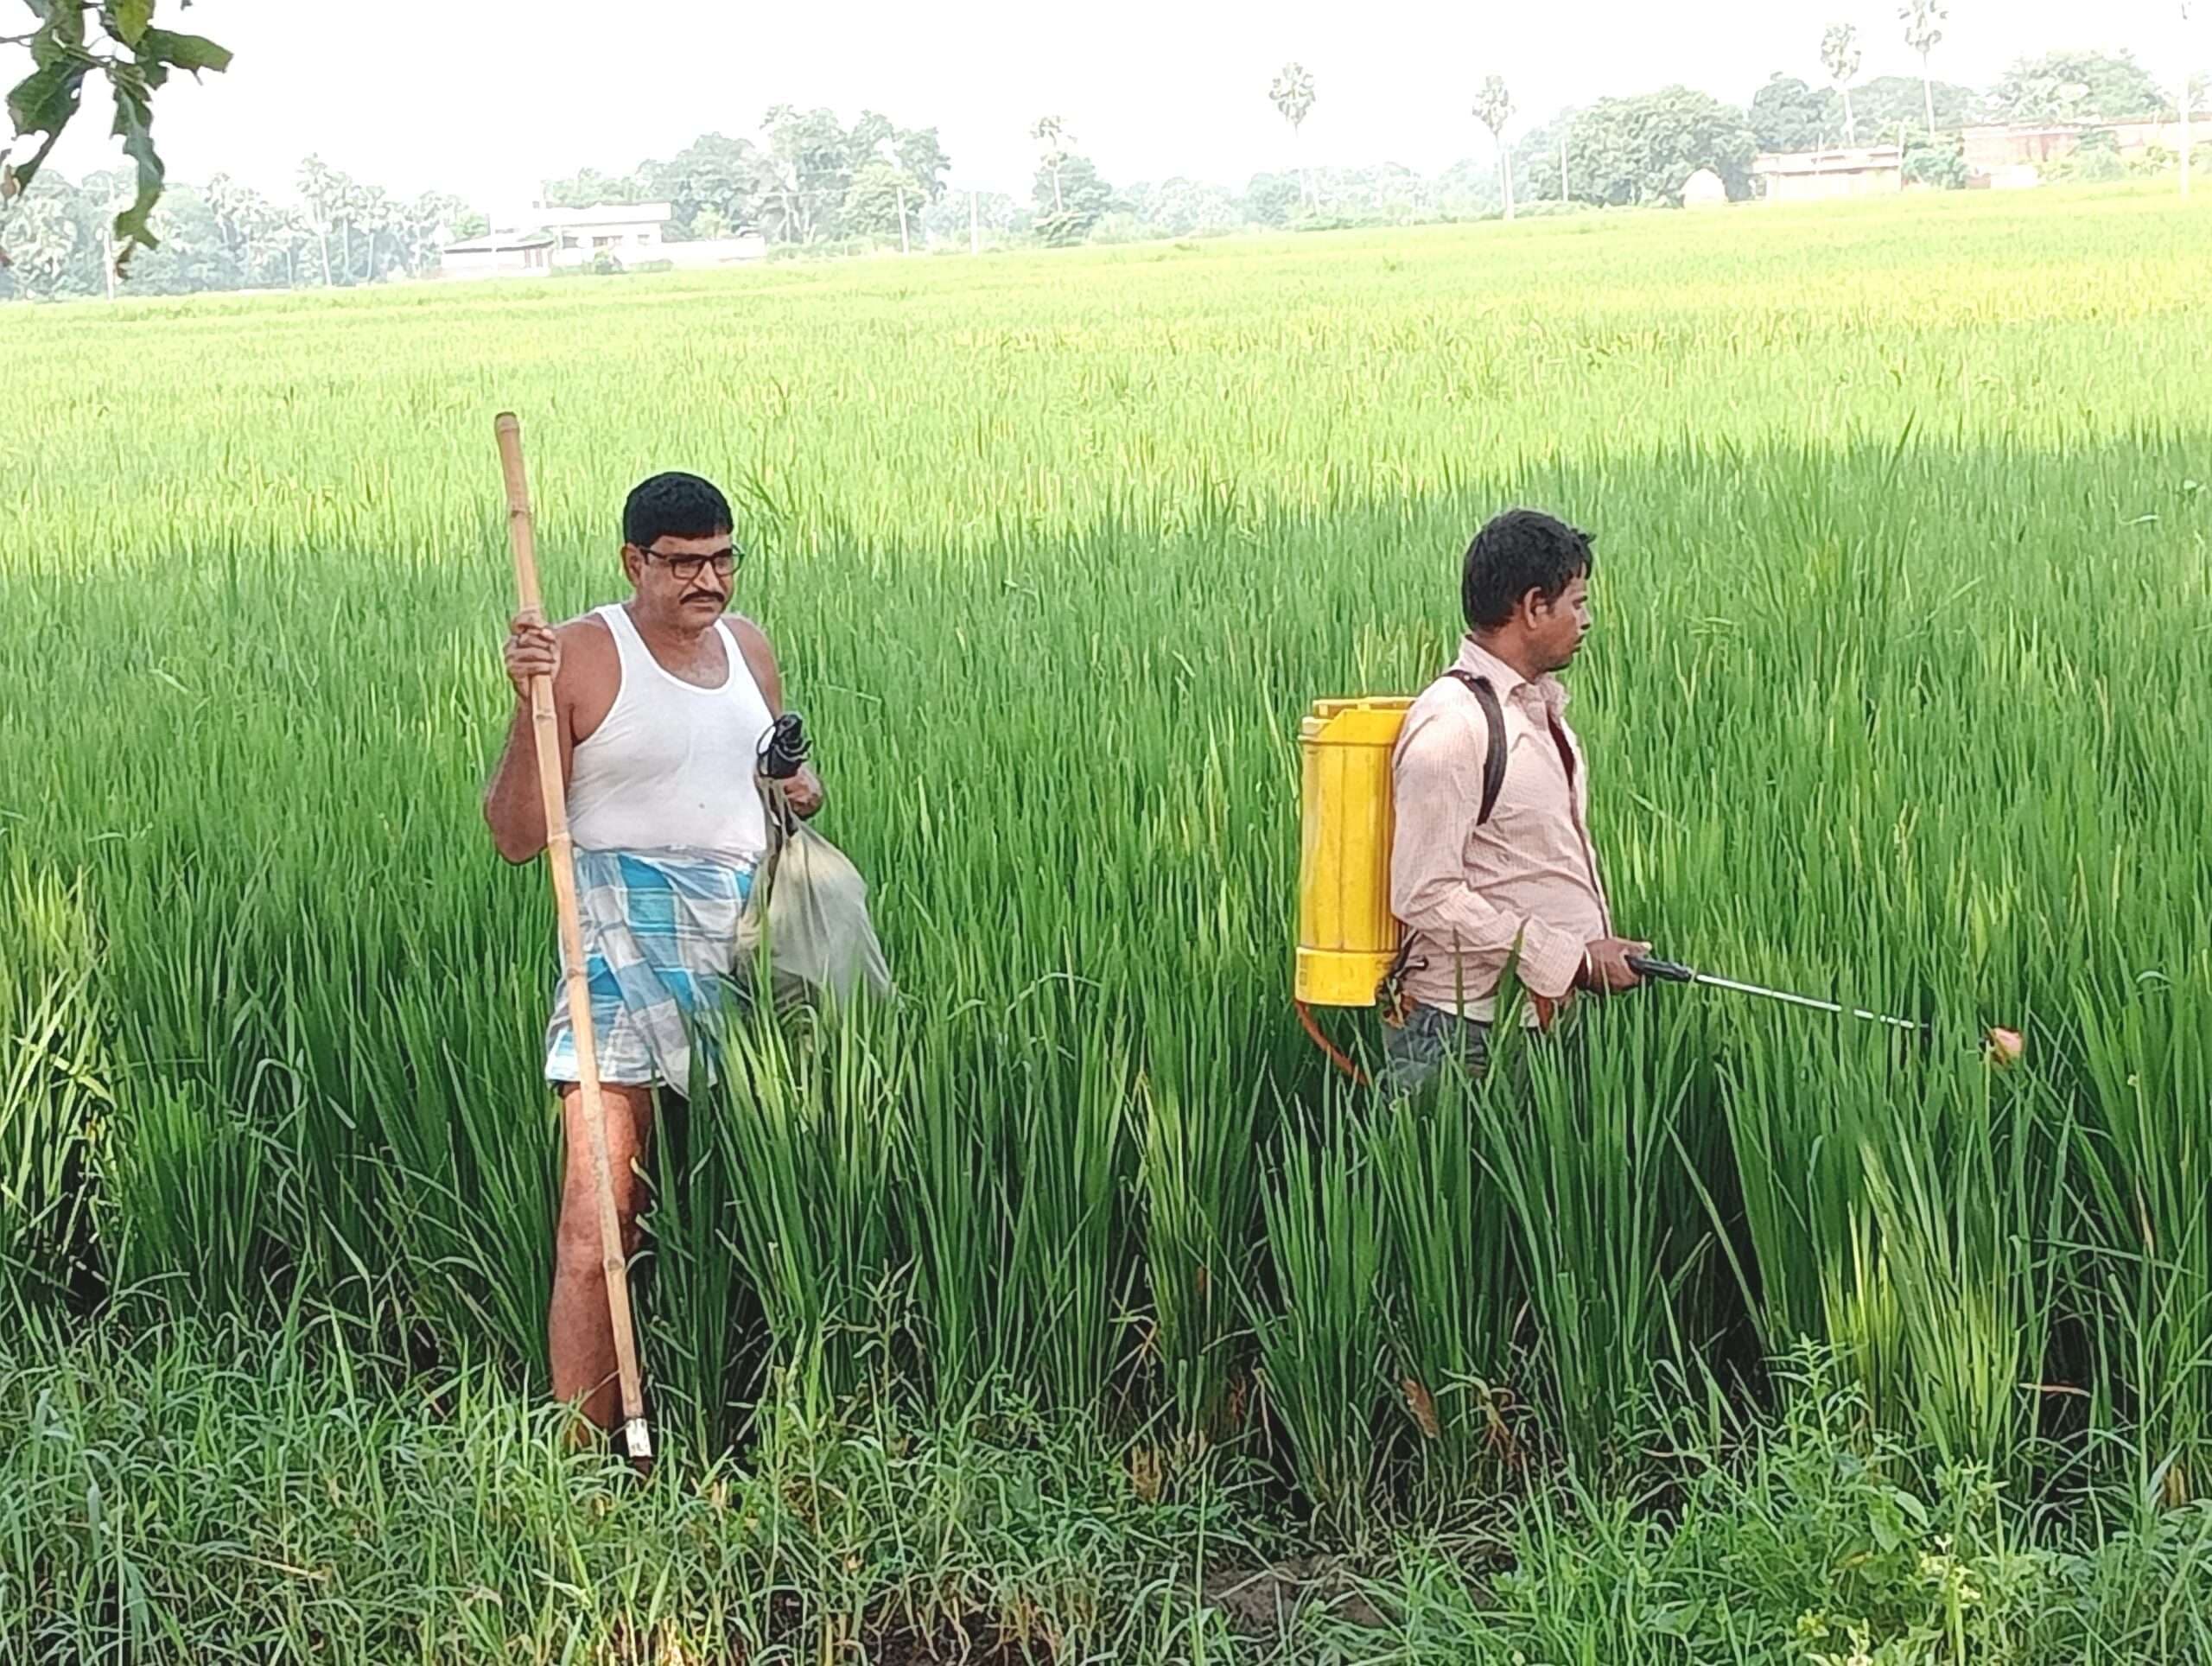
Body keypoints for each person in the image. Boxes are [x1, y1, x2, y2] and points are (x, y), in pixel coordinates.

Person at [482, 470, 822, 1433]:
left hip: (743, 957)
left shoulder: (751, 649)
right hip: (618, 959)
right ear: (635, 562)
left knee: (765, 1207)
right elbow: (514, 834)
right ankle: (588, 1456)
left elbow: (792, 785)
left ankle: (759, 1418)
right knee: (598, 1226)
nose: (706, 581)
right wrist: (528, 703)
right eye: (682, 564)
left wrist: (798, 790)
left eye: (722, 560)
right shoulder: (585, 654)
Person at [1382, 509, 1646, 1093]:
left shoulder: (1535, 709)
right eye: (1576, 603)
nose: (1587, 620)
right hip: (1463, 1039)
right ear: (1532, 608)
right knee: (1447, 1186)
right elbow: (1424, 892)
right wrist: (1573, 960)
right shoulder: (1453, 726)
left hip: (1539, 1024)